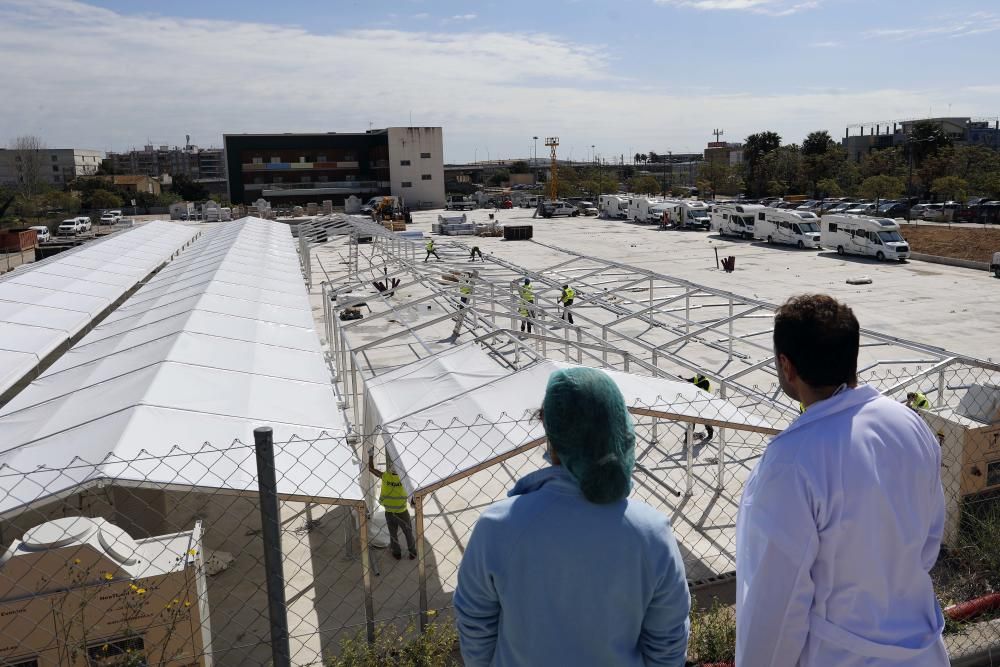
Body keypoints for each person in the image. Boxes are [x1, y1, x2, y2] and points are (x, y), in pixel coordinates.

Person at [736, 294, 947, 666]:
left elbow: (777, 604)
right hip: (922, 653)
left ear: (787, 366)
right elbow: (927, 546)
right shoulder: (910, 426)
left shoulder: (792, 460)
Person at [454, 367, 690, 667]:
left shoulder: (497, 527)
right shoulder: (652, 533)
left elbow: (475, 625)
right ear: (618, 429)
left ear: (551, 436)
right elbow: (668, 645)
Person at [368, 451, 417, 560]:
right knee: (408, 533)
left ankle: (396, 553)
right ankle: (412, 552)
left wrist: (371, 455)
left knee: (393, 534)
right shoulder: (404, 479)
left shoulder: (385, 476)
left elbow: (371, 469)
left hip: (389, 511)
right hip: (402, 512)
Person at [684, 374, 714, 442]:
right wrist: (682, 379)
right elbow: (689, 380)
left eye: (699, 374)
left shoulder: (705, 382)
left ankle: (710, 434)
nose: (697, 376)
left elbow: (696, 386)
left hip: (704, 403)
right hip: (695, 403)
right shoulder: (696, 379)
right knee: (692, 421)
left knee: (705, 420)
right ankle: (687, 437)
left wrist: (686, 384)